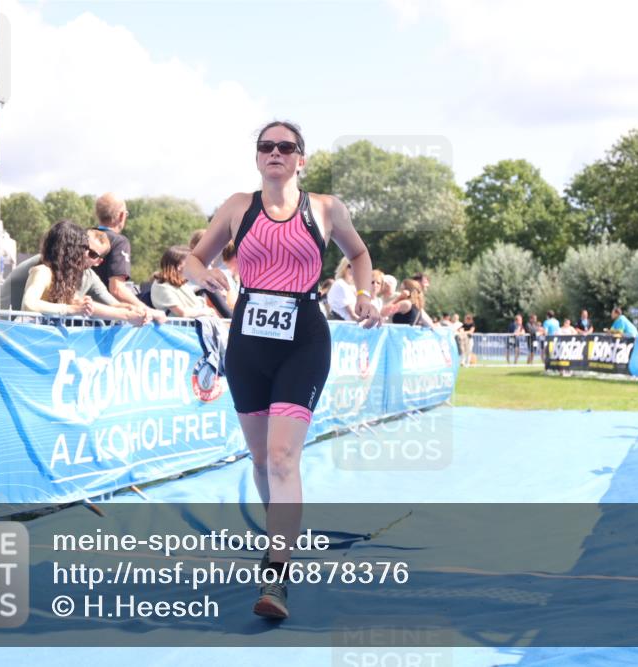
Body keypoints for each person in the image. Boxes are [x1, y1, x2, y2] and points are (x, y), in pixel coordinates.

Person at [183, 120, 380, 620]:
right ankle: (281, 533)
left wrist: (363, 295)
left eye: (285, 146)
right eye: (266, 146)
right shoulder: (237, 206)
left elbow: (358, 254)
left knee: (282, 456)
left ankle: (276, 575)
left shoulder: (325, 208)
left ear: (301, 159)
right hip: (249, 338)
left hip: (303, 339)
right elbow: (191, 259)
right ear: (257, 158)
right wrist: (199, 273)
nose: (275, 152)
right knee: (260, 459)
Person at [20, 220, 149, 326]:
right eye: (82, 247)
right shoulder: (43, 271)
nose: (83, 253)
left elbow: (81, 304)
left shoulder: (64, 278)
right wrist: (71, 309)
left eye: (90, 252)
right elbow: (29, 303)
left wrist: (132, 310)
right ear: (67, 249)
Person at [150, 245, 216, 318]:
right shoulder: (162, 286)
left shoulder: (180, 284)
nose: (193, 266)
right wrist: (205, 312)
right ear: (179, 266)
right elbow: (182, 312)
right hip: (175, 328)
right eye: (190, 263)